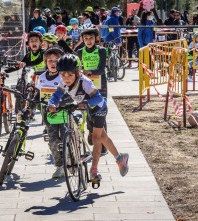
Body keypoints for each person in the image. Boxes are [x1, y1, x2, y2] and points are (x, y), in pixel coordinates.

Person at [47, 54, 129, 181]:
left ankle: (94, 170)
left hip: (98, 108)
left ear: (78, 72)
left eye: (70, 75)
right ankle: (120, 158)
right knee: (103, 136)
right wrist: (52, 103)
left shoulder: (85, 82)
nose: (66, 78)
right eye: (63, 75)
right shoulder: (63, 82)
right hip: (84, 107)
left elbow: (97, 98)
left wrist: (86, 103)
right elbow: (56, 94)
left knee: (97, 137)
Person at [77, 27, 108, 155]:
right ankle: (91, 132)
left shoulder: (101, 50)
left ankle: (103, 144)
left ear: (96, 38)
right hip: (86, 87)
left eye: (91, 38)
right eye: (86, 39)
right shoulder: (79, 52)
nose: (88, 41)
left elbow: (101, 69)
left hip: (101, 86)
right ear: (82, 40)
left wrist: (89, 72)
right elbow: (77, 68)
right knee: (88, 113)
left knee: (100, 114)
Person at [35, 47, 66, 178]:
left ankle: (70, 160)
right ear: (45, 62)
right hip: (49, 115)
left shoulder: (64, 76)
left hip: (64, 113)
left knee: (66, 140)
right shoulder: (41, 78)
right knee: (52, 141)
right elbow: (37, 94)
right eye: (50, 61)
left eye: (56, 61)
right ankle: (59, 166)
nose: (53, 64)